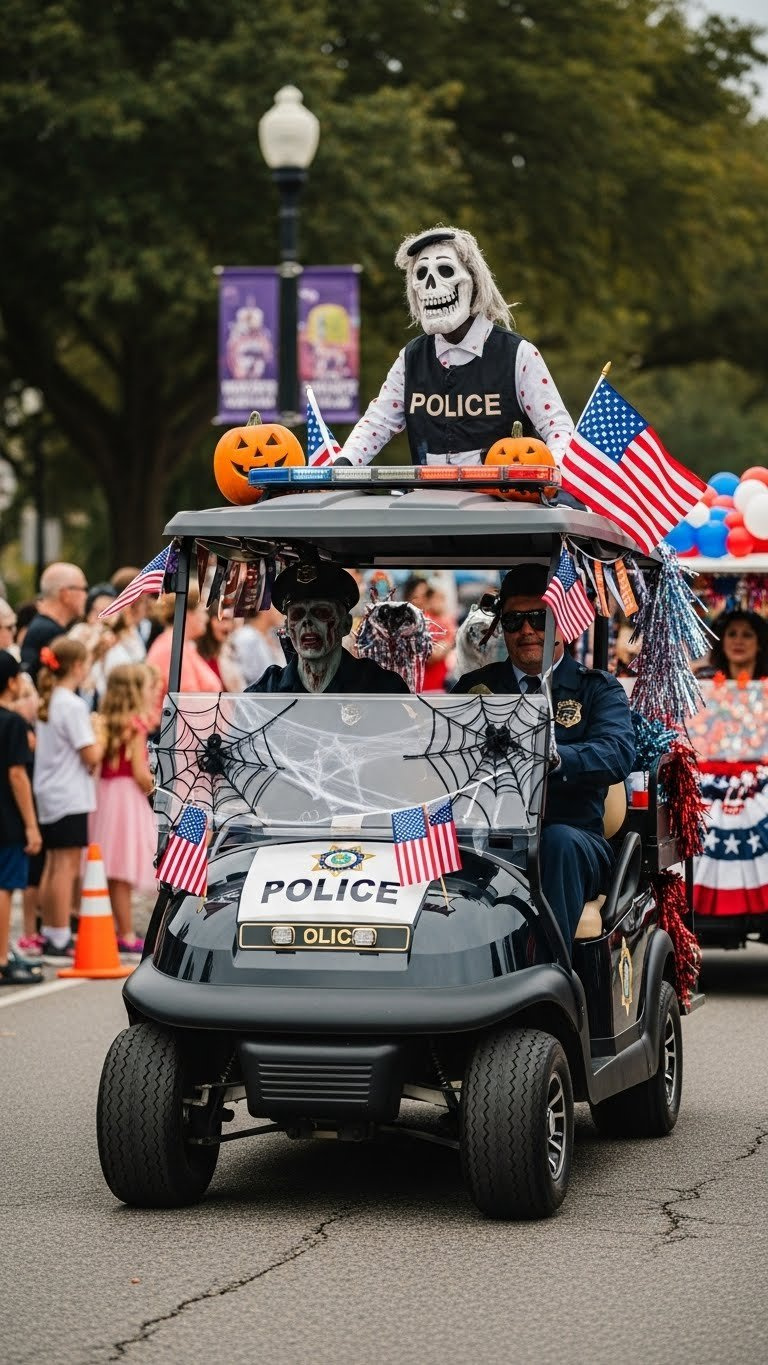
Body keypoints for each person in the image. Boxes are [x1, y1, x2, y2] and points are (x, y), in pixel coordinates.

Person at [452, 563, 636, 950]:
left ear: (562, 621)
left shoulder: (595, 689)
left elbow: (617, 753)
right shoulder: (476, 688)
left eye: (539, 618)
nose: (527, 631)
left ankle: (547, 981)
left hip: (572, 837)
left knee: (556, 843)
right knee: (426, 843)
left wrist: (554, 758)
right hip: (488, 833)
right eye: (514, 620)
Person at [337, 225, 573, 469]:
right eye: (420, 275)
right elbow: (378, 422)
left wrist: (550, 475)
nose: (430, 285)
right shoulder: (411, 358)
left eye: (445, 270)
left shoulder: (517, 354)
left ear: (474, 280)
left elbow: (558, 427)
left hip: (503, 504)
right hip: (428, 503)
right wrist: (343, 464)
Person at [33, 636, 103, 961]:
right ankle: (59, 937)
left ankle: (51, 931)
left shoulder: (50, 699)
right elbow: (90, 755)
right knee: (66, 866)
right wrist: (101, 732)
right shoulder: (72, 705)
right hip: (69, 793)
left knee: (53, 863)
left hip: (50, 791)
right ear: (77, 665)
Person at [246, 563, 409, 694]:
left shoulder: (379, 687)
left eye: (321, 612)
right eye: (297, 614)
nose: (307, 622)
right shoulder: (267, 691)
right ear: (287, 628)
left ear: (345, 624)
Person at [90, 664, 157, 955]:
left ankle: (120, 927)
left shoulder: (104, 722)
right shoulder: (136, 726)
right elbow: (141, 774)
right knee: (124, 866)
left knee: (112, 867)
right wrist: (155, 785)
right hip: (127, 798)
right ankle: (126, 932)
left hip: (105, 796)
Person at [0, 651, 43, 986]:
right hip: (6, 817)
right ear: (12, 682)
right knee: (5, 886)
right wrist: (31, 824)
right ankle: (1, 959)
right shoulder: (11, 722)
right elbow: (17, 774)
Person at [20, 562, 89, 681]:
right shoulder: (49, 633)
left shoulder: (43, 627)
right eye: (83, 589)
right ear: (65, 594)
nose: (86, 596)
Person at [146, 589, 222, 693]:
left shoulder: (184, 645)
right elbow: (187, 701)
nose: (206, 618)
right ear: (188, 614)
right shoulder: (170, 648)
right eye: (203, 612)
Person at [702, 608, 768, 681]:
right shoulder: (703, 681)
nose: (738, 641)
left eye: (747, 635)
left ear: (760, 644)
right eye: (732, 634)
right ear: (722, 642)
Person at [231, 605, 285, 686]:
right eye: (276, 605)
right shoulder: (247, 637)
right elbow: (249, 683)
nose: (282, 612)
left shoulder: (272, 636)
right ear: (263, 608)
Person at [197, 606, 245, 691]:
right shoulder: (197, 654)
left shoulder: (229, 651)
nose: (227, 626)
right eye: (222, 620)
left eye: (229, 620)